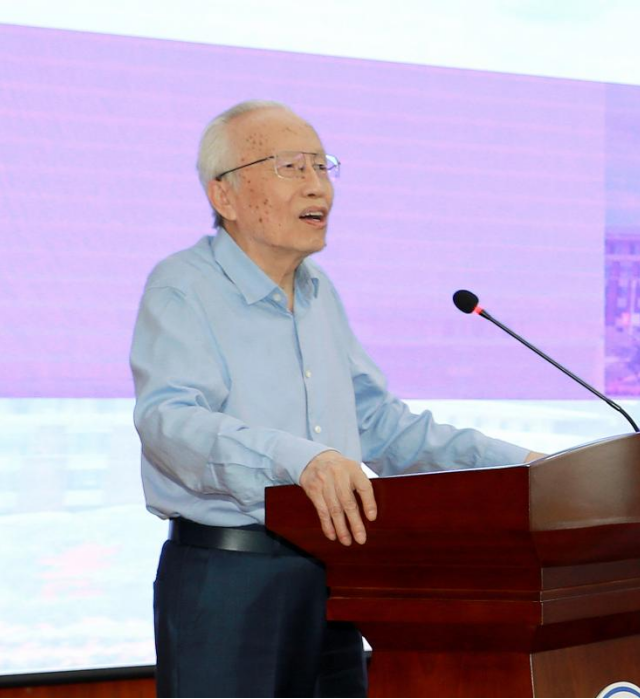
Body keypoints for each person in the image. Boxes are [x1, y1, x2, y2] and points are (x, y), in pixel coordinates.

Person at [130, 99, 543, 698]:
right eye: (290, 167)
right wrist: (300, 460)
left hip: (335, 573)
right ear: (225, 196)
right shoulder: (183, 287)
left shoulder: (319, 292)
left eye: (322, 166)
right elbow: (169, 422)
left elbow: (379, 425)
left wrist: (523, 469)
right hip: (230, 580)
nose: (316, 186)